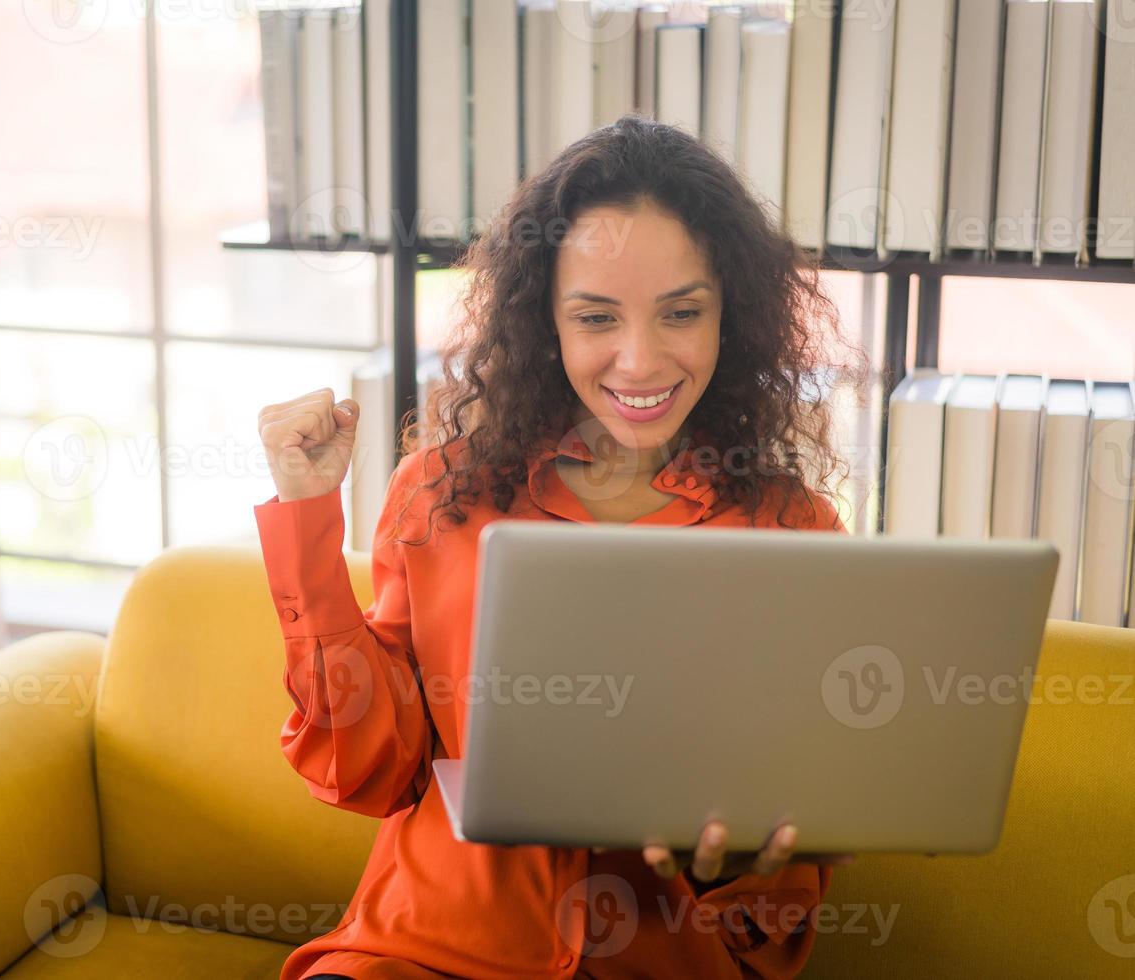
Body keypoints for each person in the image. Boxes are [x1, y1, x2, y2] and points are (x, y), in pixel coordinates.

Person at [252, 114, 872, 980]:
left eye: (681, 313)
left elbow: (799, 840)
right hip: (427, 950)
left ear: (733, 315)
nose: (639, 360)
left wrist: (739, 870)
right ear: (545, 320)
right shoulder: (441, 491)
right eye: (596, 317)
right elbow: (374, 768)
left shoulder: (793, 527)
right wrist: (308, 523)